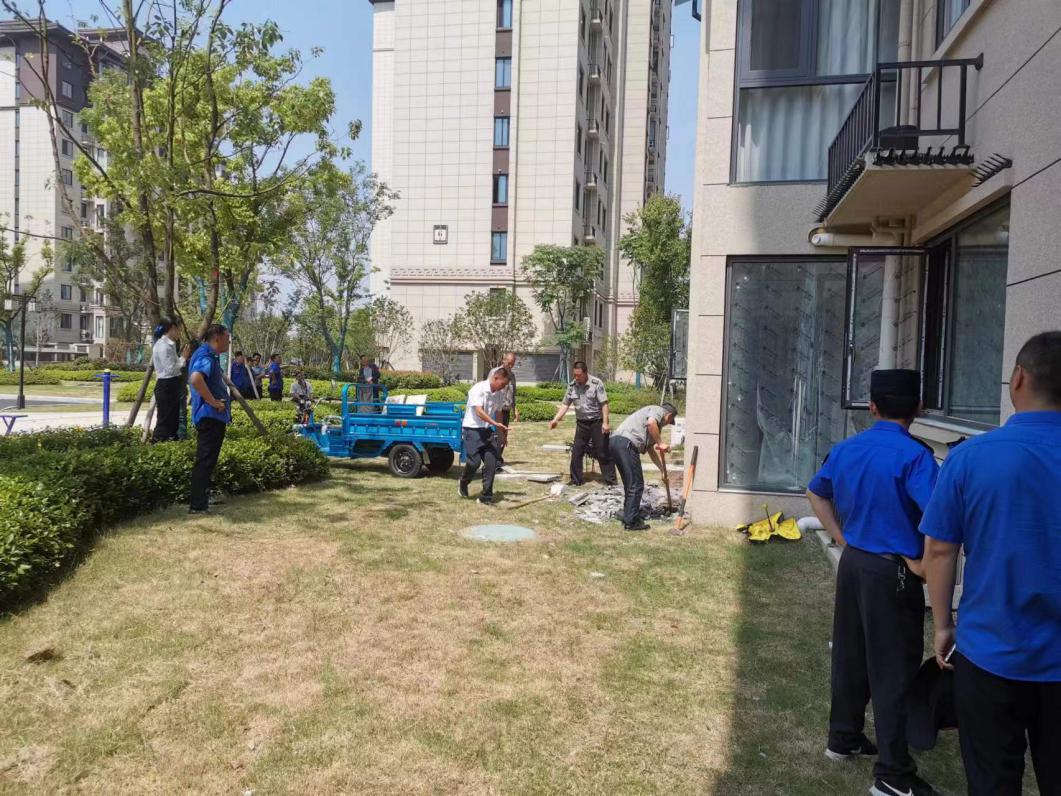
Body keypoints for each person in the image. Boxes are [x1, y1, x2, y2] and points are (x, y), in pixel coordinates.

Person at [921, 331, 1061, 796]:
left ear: (1018, 378)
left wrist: (944, 626)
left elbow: (940, 551)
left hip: (990, 654)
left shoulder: (970, 457)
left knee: (992, 783)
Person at [806, 369, 940, 796]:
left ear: (872, 407)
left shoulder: (848, 448)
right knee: (894, 670)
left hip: (854, 564)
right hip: (892, 571)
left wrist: (841, 538)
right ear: (919, 408)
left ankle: (843, 737)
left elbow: (816, 492)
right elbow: (939, 518)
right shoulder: (917, 457)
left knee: (851, 654)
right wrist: (924, 565)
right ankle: (893, 776)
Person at [608, 402, 677, 531]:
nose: (667, 424)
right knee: (636, 484)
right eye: (669, 421)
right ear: (669, 416)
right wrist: (660, 443)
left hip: (616, 443)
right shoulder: (658, 410)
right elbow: (651, 423)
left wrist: (662, 470)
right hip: (626, 444)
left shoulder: (654, 427)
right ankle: (631, 522)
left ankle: (628, 515)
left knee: (630, 484)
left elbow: (651, 451)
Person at [548, 360, 617, 486]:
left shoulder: (596, 383)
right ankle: (576, 480)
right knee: (577, 452)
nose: (576, 377)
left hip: (597, 422)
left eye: (579, 375)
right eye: (575, 375)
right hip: (582, 424)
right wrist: (555, 419)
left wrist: (605, 423)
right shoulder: (572, 385)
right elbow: (565, 404)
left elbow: (604, 404)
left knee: (602, 452)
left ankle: (611, 481)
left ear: (585, 373)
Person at [187, 324, 232, 515]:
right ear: (217, 338)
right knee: (205, 460)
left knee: (208, 460)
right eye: (227, 339)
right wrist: (212, 401)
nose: (229, 342)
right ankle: (197, 505)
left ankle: (203, 498)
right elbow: (196, 379)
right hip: (209, 416)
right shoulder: (205, 355)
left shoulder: (209, 355)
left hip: (213, 416)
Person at [458, 367, 512, 505]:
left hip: (487, 431)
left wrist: (501, 434)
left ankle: (486, 497)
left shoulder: (499, 394)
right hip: (472, 430)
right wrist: (494, 423)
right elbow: (479, 411)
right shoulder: (478, 389)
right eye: (503, 384)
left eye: (505, 385)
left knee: (491, 463)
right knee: (474, 463)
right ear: (496, 378)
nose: (503, 387)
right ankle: (464, 481)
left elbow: (499, 413)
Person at [150, 318, 192, 442]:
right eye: (179, 329)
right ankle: (158, 442)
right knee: (165, 420)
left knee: (173, 419)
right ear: (172, 328)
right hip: (166, 385)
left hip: (171, 384)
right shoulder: (164, 346)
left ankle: (171, 442)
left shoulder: (169, 345)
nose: (180, 332)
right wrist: (183, 358)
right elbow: (170, 369)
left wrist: (182, 359)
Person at [491, 352, 519, 465]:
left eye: (513, 363)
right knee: (497, 434)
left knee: (504, 435)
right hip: (496, 409)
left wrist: (515, 409)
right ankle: (494, 460)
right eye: (509, 363)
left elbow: (513, 394)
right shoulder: (494, 372)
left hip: (506, 409)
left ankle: (498, 458)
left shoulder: (512, 376)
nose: (511, 366)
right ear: (504, 360)